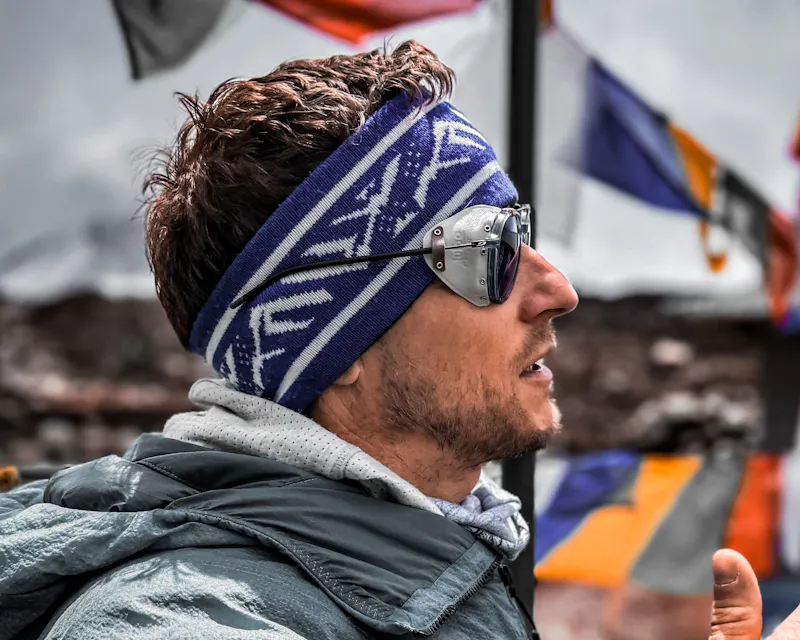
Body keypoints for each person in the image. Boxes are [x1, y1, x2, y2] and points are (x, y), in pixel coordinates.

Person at [0, 41, 796, 640]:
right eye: (488, 253)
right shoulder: (185, 615)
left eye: (522, 233)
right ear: (330, 342)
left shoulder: (421, 557)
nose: (559, 290)